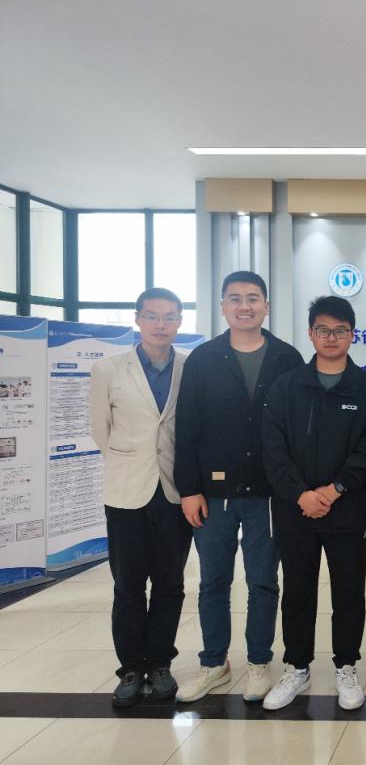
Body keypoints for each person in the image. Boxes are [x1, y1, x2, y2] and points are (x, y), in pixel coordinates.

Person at [173, 272, 303, 703]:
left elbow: (297, 430)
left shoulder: (286, 358)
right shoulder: (203, 359)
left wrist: (294, 488)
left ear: (266, 305)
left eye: (252, 298)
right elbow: (186, 427)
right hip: (213, 494)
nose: (244, 306)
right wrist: (188, 489)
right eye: (235, 298)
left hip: (269, 493)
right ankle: (214, 663)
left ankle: (259, 662)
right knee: (213, 581)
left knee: (263, 581)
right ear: (223, 306)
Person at [260, 296, 366, 711]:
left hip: (347, 509)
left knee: (348, 592)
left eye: (339, 330)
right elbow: (272, 448)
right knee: (297, 591)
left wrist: (334, 490)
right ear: (310, 333)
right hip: (295, 510)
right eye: (323, 330)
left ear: (352, 335)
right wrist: (301, 494)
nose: (331, 337)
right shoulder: (287, 386)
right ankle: (296, 667)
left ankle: (346, 667)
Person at [89, 287, 192, 707]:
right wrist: (131, 460)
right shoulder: (108, 370)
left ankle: (160, 663)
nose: (160, 324)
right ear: (137, 319)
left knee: (170, 584)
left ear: (179, 322)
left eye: (169, 317)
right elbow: (101, 430)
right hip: (126, 492)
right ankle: (131, 668)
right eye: (152, 316)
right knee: (129, 585)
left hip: (174, 491)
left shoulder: (190, 367)